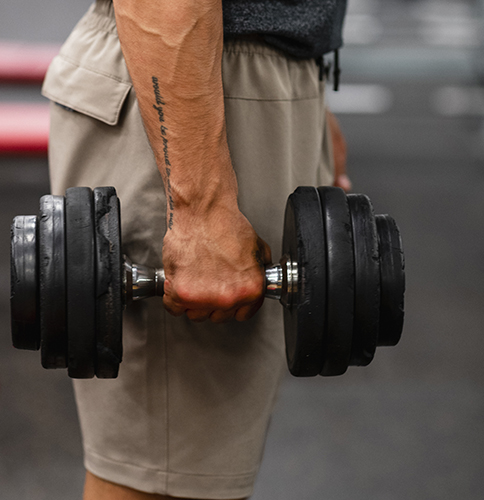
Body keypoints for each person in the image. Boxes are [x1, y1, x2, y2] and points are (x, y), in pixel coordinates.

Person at [42, 0, 349, 498]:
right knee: (164, 483)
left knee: (200, 475)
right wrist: (200, 209)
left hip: (248, 74)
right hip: (190, 77)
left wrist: (306, 96)